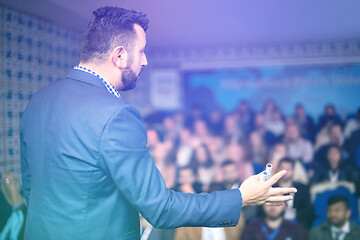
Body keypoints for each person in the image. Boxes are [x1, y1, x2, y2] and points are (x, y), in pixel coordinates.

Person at [20, 6, 296, 239]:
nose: (146, 61)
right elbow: (161, 209)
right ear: (119, 55)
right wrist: (240, 197)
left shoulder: (38, 102)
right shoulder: (117, 114)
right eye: (141, 52)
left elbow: (32, 189)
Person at [277, 158, 314, 230]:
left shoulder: (302, 189)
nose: (285, 172)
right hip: (276, 223)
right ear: (278, 170)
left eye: (288, 169)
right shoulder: (272, 189)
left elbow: (309, 211)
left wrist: (295, 215)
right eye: (282, 169)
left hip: (298, 225)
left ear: (293, 171)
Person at [241, 202, 308, 240]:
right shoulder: (252, 227)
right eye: (269, 203)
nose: (273, 207)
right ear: (263, 205)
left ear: (285, 205)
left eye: (278, 203)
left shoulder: (296, 228)